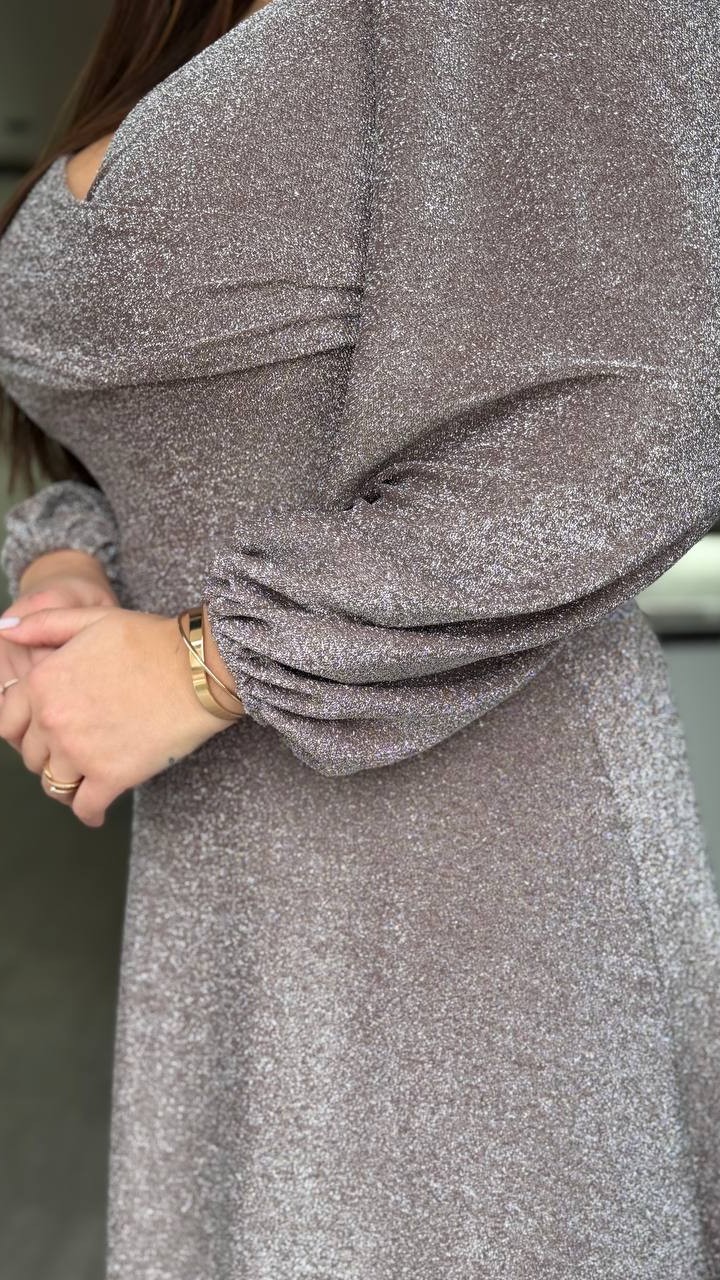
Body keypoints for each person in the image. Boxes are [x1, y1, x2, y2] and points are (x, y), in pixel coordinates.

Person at [0, 0, 719, 1274]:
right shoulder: (181, 23)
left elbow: (650, 412)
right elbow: (190, 444)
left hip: (475, 890)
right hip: (225, 905)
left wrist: (213, 658)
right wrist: (70, 555)